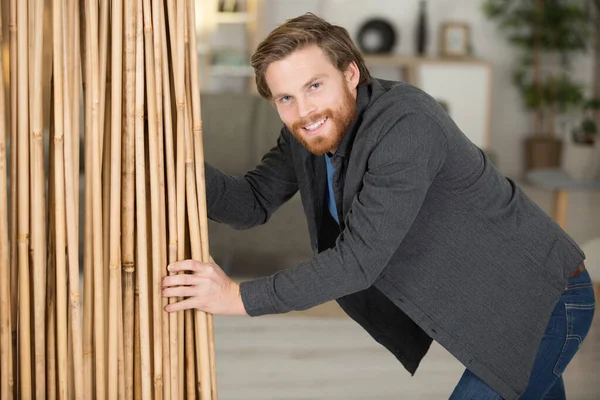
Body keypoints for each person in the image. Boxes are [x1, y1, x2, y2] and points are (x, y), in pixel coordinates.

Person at [161, 13, 596, 400]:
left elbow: (357, 261)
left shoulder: (407, 126)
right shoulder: (309, 131)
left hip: (541, 298)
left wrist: (235, 296)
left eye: (314, 86)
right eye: (285, 98)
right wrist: (177, 162)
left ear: (350, 73)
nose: (304, 110)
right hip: (486, 306)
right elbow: (252, 202)